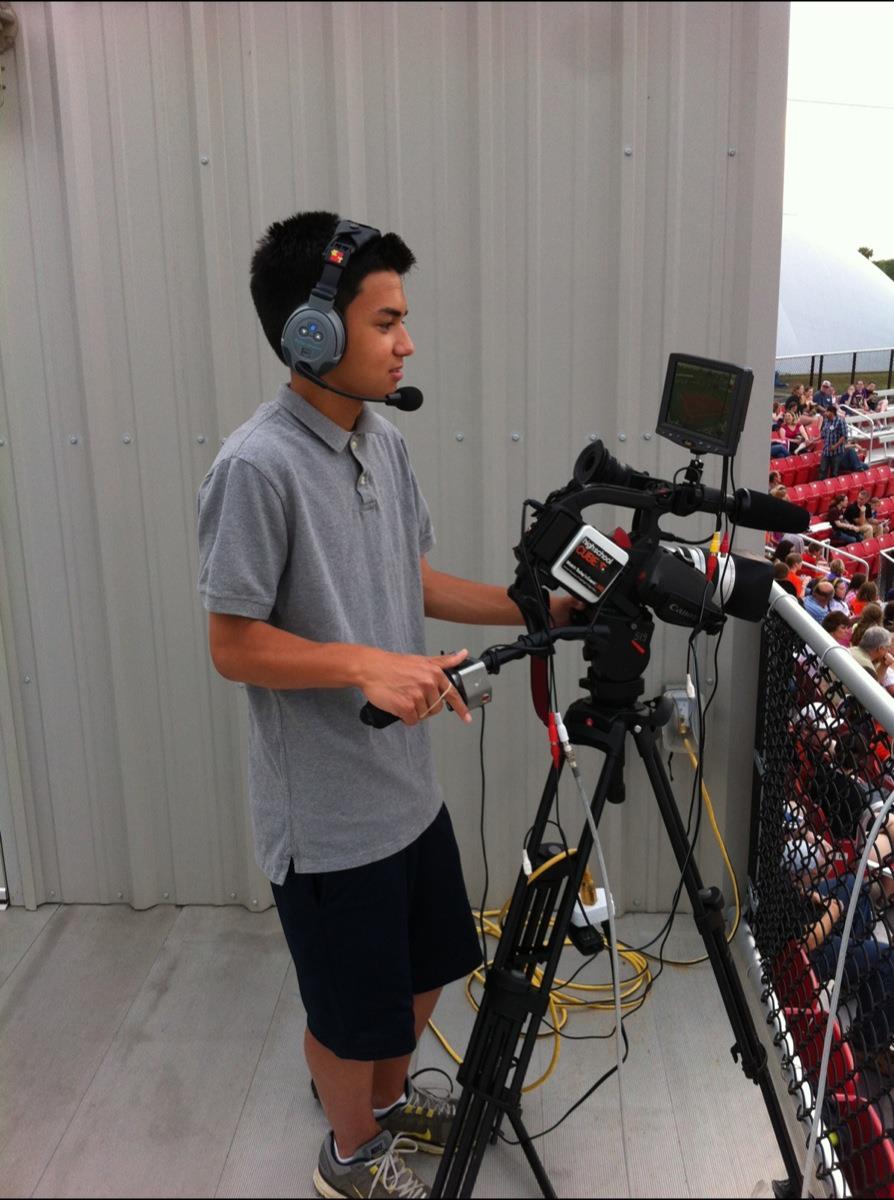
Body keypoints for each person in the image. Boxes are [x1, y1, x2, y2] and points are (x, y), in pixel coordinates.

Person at [196, 212, 583, 1198]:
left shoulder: (384, 442)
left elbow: (405, 580)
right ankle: (350, 1152)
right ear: (311, 335)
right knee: (348, 1014)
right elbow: (232, 644)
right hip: (327, 821)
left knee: (426, 973)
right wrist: (364, 666)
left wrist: (542, 606)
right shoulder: (255, 466)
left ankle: (375, 1097)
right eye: (386, 321)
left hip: (406, 792)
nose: (407, 342)